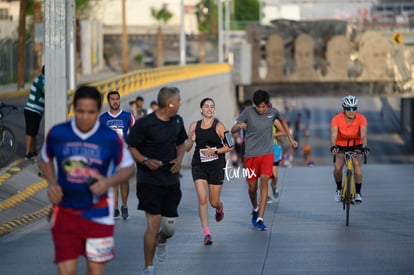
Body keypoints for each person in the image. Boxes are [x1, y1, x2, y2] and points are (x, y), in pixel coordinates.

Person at [39, 86, 135, 275]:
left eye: (91, 112)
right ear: (74, 108)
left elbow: (129, 168)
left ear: (98, 111)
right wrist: (52, 182)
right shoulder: (58, 133)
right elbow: (44, 158)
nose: (85, 117)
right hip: (66, 213)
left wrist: (107, 182)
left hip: (99, 214)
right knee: (66, 271)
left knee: (95, 270)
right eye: (81, 111)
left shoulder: (109, 137)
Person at [126, 87, 187, 275]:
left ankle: (162, 239)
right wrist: (145, 160)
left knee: (169, 228)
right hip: (149, 181)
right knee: (152, 225)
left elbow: (181, 144)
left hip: (170, 181)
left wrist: (178, 160)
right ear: (170, 104)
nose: (180, 104)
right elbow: (132, 147)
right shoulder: (145, 124)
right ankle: (148, 267)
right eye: (178, 101)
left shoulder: (177, 121)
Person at [231, 90, 298, 231]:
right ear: (255, 105)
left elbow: (283, 122)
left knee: (265, 181)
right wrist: (239, 126)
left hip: (267, 154)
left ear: (267, 104)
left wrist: (290, 139)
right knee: (252, 188)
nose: (261, 110)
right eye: (259, 107)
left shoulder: (273, 112)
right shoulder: (248, 112)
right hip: (250, 155)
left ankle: (260, 218)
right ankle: (255, 208)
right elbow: (233, 129)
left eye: (264, 107)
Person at [185, 98, 232, 245]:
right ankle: (207, 233)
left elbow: (230, 146)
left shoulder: (219, 126)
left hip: (216, 166)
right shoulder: (194, 126)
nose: (209, 109)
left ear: (214, 110)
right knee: (202, 199)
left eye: (212, 107)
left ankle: (219, 206)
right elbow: (186, 148)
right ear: (201, 109)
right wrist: (192, 140)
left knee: (213, 201)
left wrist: (215, 150)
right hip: (199, 164)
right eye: (206, 106)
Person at [100, 91, 136, 219]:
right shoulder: (103, 119)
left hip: (124, 153)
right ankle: (115, 208)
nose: (115, 101)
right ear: (108, 101)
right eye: (112, 99)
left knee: (124, 180)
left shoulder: (128, 116)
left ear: (119, 100)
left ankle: (124, 205)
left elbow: (136, 133)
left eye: (117, 99)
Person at [330, 95, 370, 204]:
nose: (351, 112)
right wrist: (333, 146)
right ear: (344, 109)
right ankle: (338, 189)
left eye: (354, 109)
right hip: (341, 145)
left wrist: (364, 146)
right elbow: (334, 135)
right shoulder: (336, 119)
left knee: (356, 165)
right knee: (338, 167)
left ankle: (358, 193)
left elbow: (363, 135)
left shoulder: (362, 118)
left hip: (356, 145)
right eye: (348, 109)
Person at [24, 65, 45, 160]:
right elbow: (45, 91)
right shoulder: (41, 79)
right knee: (30, 131)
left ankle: (34, 151)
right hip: (32, 109)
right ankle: (27, 153)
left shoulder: (42, 78)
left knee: (34, 132)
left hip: (36, 110)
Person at [267, 124, 286, 203]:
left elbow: (283, 132)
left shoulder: (274, 119)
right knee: (265, 174)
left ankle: (273, 185)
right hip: (263, 148)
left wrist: (272, 135)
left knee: (274, 174)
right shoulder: (259, 117)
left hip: (275, 148)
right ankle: (267, 196)